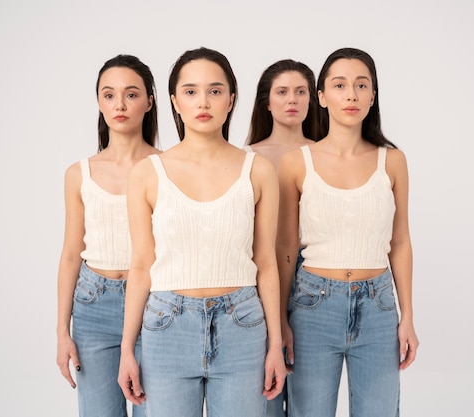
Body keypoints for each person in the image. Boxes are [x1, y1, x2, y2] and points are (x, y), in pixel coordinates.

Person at [117, 47, 286, 417]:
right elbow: (142, 264)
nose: (203, 102)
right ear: (175, 102)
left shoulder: (257, 171)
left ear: (231, 100)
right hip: (167, 327)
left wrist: (275, 343)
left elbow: (266, 262)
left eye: (215, 90)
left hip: (242, 325)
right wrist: (128, 348)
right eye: (191, 92)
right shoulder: (147, 173)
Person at [276, 47, 419, 417]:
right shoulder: (296, 163)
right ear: (321, 97)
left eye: (361, 85)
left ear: (373, 96)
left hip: (378, 307)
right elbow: (286, 246)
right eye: (340, 85)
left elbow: (400, 242)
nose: (351, 95)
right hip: (312, 307)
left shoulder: (393, 160)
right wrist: (279, 320)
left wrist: (408, 317)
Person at [56, 54, 160, 417]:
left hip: (154, 304)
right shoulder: (79, 173)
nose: (120, 104)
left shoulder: (166, 169)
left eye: (131, 94)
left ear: (149, 101)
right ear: (99, 102)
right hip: (93, 305)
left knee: (154, 409)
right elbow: (71, 254)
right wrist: (61, 331)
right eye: (109, 94)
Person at [244, 58, 319, 417]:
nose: (292, 99)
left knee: (308, 388)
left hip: (314, 276)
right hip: (257, 272)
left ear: (312, 99)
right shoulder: (245, 158)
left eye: (301, 91)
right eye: (283, 91)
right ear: (267, 101)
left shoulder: (324, 154)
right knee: (264, 387)